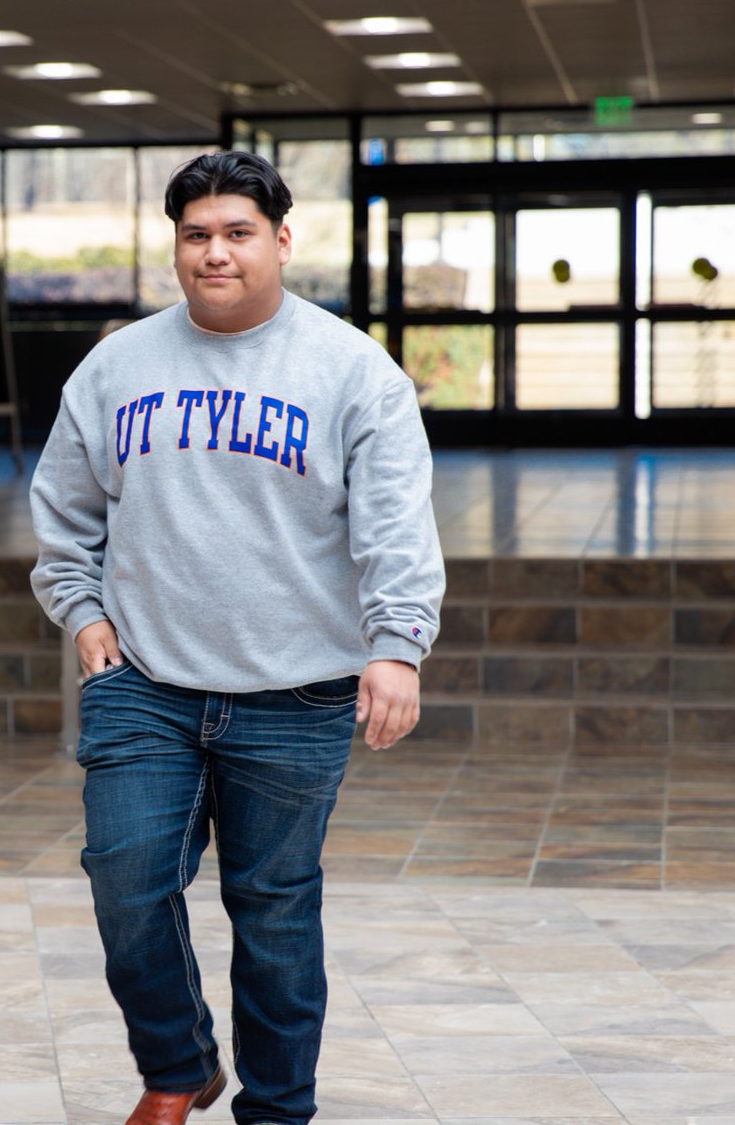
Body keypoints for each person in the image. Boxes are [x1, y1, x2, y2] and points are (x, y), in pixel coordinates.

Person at [30, 151, 444, 1125]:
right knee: (125, 876)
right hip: (146, 678)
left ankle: (277, 1114)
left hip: (298, 694)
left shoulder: (351, 370)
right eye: (196, 235)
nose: (215, 253)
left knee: (274, 914)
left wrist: (398, 643)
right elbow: (64, 510)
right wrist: (83, 613)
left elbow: (395, 521)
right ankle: (177, 1064)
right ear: (176, 245)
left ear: (282, 240)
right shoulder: (116, 364)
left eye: (237, 233)